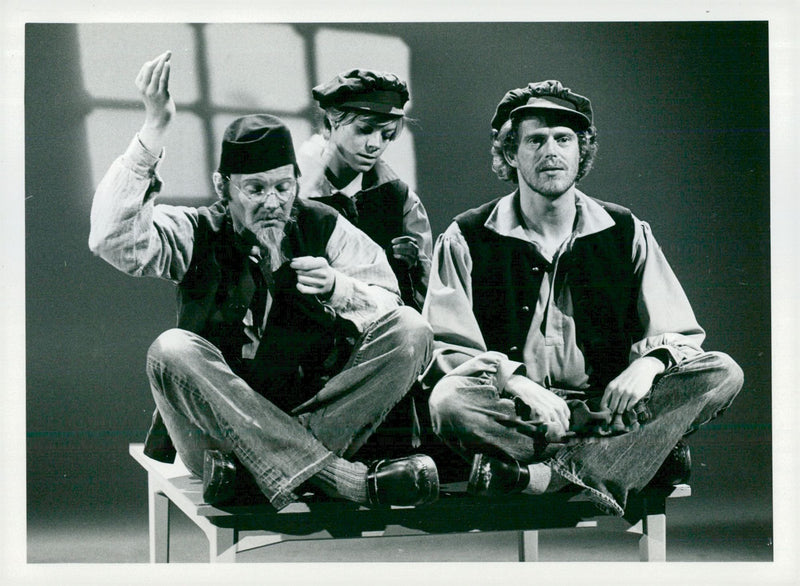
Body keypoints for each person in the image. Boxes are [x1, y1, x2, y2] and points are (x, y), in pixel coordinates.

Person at [89, 51, 439, 510]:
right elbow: (113, 239)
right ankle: (340, 479)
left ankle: (268, 470)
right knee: (170, 350)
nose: (273, 202)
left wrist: (339, 288)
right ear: (224, 188)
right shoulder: (196, 230)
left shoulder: (324, 226)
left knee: (413, 331)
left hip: (309, 421)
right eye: (254, 190)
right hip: (218, 438)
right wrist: (153, 130)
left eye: (283, 187)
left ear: (297, 181)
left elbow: (391, 308)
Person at [422, 80, 743, 515]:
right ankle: (630, 460)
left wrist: (649, 364)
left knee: (722, 372)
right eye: (535, 139)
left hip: (608, 413)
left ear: (581, 152)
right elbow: (445, 348)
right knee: (448, 401)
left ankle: (543, 477)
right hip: (520, 416)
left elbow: (680, 334)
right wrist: (518, 384)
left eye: (564, 139)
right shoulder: (467, 235)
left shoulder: (625, 229)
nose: (551, 151)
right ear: (511, 153)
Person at [296, 69, 432, 311]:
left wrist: (409, 268)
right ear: (330, 124)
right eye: (365, 130)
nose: (375, 145)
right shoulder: (296, 191)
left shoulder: (401, 200)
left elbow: (426, 300)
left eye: (387, 135)